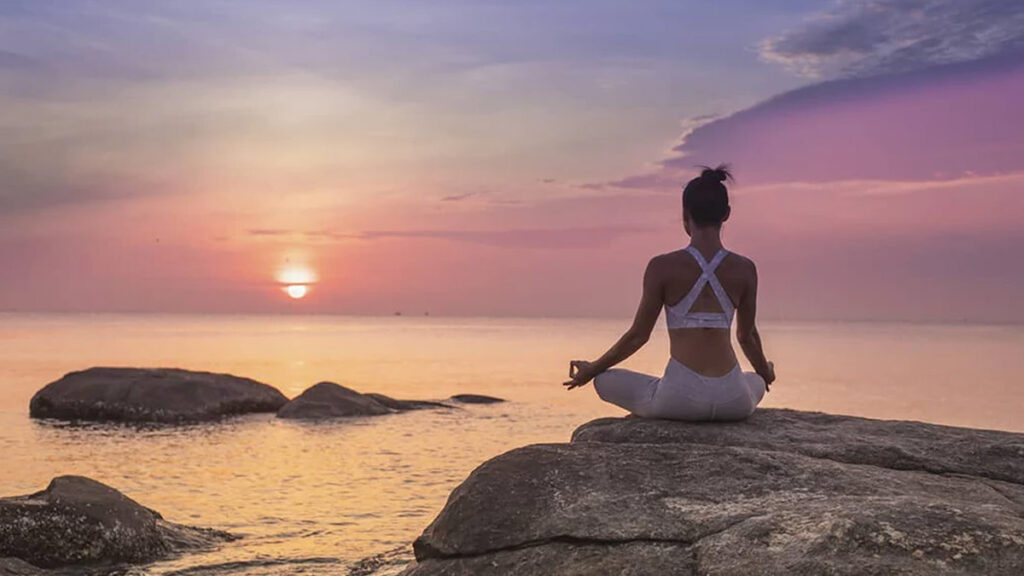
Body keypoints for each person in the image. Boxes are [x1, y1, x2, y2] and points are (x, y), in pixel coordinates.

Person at [563, 165, 775, 421]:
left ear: (685, 215)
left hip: (680, 399)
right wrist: (766, 372)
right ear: (726, 214)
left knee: (604, 380)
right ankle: (746, 383)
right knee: (754, 380)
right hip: (733, 401)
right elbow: (747, 336)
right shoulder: (744, 268)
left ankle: (659, 386)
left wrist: (591, 369)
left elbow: (638, 336)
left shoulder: (662, 267)